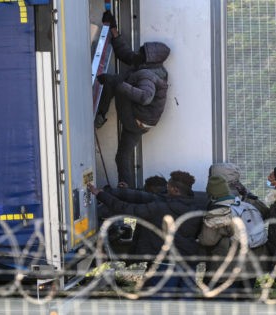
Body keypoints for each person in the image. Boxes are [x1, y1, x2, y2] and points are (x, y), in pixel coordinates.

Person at [88, 170, 201, 296]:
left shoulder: (160, 208)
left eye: (168, 187)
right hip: (189, 262)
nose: (166, 189)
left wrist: (100, 194)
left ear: (175, 190)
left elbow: (127, 208)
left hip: (165, 263)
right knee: (187, 302)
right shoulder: (196, 207)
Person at [96, 10, 171, 188]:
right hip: (142, 122)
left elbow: (145, 97)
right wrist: (113, 30)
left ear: (150, 58)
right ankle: (127, 193)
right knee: (122, 156)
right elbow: (125, 54)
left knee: (114, 81)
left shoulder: (148, 74)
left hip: (137, 117)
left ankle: (99, 117)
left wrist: (113, 81)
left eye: (142, 52)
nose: (138, 53)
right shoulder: (146, 65)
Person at [198, 175, 236, 288]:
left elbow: (208, 240)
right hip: (249, 263)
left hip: (224, 261)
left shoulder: (216, 212)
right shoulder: (243, 204)